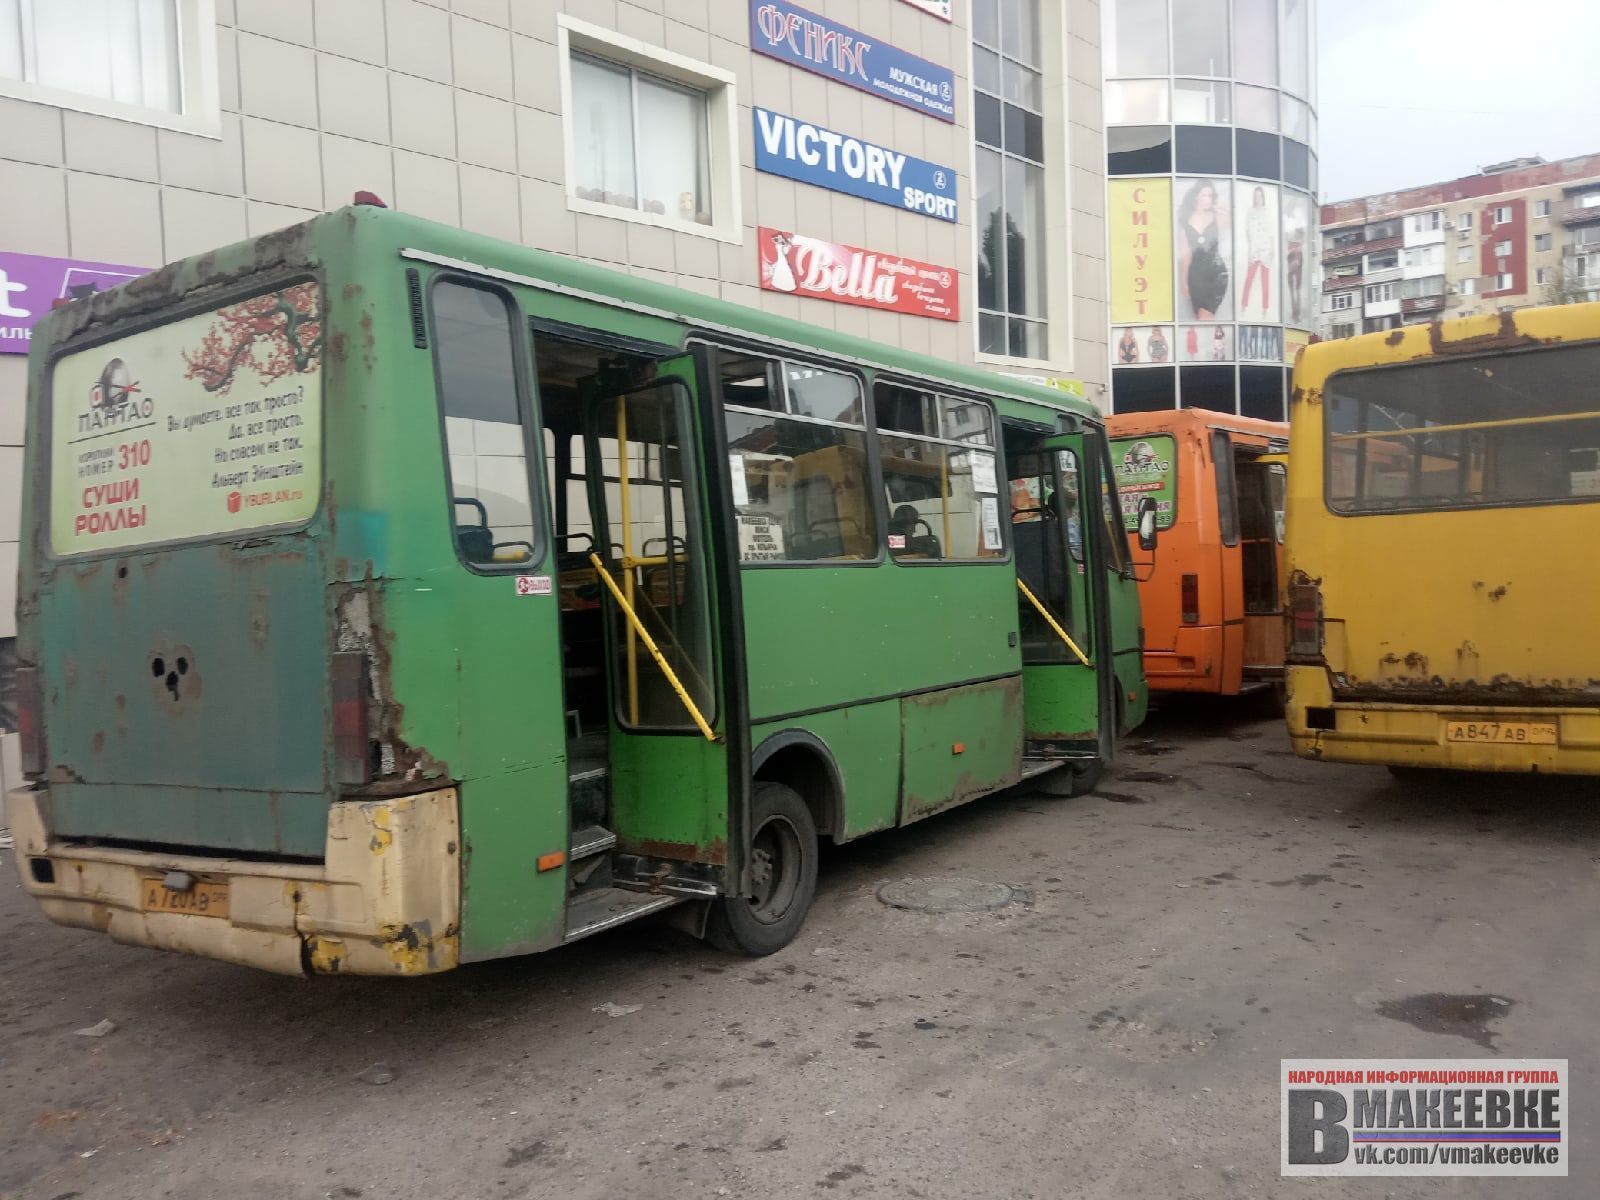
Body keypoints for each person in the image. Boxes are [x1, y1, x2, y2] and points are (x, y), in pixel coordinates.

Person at [1178, 180, 1229, 320]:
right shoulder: (1185, 222)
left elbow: (1231, 224)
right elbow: (1185, 256)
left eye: (1210, 196)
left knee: (1205, 317)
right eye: (1204, 195)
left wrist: (1219, 207)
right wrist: (1184, 283)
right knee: (1201, 320)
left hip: (1216, 274)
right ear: (1196, 196)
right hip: (1196, 277)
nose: (1207, 199)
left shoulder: (1216, 216)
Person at [1242, 186, 1275, 317]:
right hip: (1254, 250)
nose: (1258, 199)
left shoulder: (1267, 212)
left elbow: (1271, 232)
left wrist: (1272, 248)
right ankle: (1243, 305)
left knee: (1265, 281)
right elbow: (1247, 231)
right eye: (1256, 196)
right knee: (1249, 278)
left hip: (1265, 249)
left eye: (1260, 196)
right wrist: (1250, 247)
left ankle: (1265, 309)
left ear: (1263, 197)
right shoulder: (1250, 212)